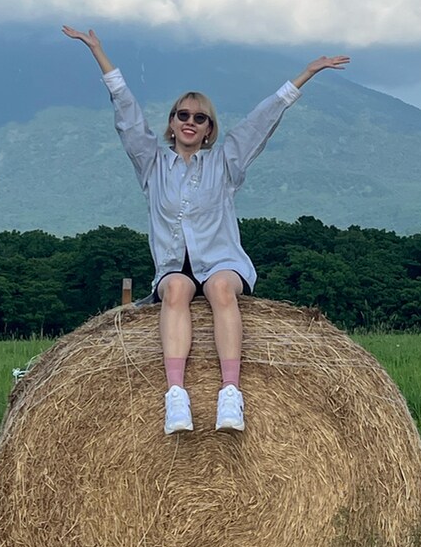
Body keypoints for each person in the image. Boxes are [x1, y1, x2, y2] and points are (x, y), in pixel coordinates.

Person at [61, 26, 350, 436]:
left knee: (218, 289)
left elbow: (261, 121)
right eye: (183, 115)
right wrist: (98, 52)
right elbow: (126, 115)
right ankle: (176, 395)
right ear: (172, 123)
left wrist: (305, 74)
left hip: (222, 263)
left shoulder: (225, 163)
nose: (191, 122)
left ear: (210, 128)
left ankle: (230, 392)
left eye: (200, 118)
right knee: (176, 290)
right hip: (173, 268)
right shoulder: (152, 165)